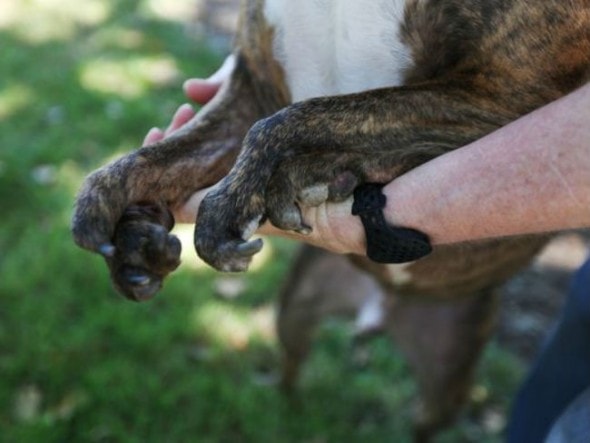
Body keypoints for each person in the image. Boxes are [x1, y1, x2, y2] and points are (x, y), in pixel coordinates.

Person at [143, 61, 590, 441]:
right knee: (558, 381)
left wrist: (378, 219)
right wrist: (258, 60)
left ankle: (427, 430)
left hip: (458, 276)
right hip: (347, 253)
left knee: (452, 405)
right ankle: (287, 376)